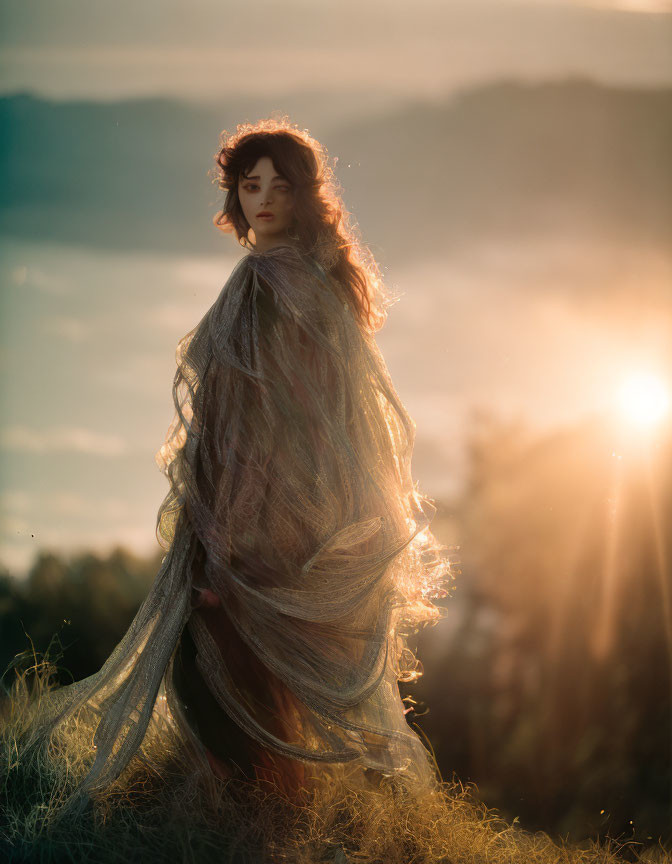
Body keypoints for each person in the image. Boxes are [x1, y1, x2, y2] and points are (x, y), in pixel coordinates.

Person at [22, 115, 456, 818]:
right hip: (306, 515)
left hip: (262, 519)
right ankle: (282, 808)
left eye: (279, 186)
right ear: (235, 196)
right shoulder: (323, 277)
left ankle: (260, 811)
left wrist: (228, 540)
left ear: (305, 196)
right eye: (250, 185)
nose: (263, 199)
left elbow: (267, 424)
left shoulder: (270, 283)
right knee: (262, 665)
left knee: (209, 657)